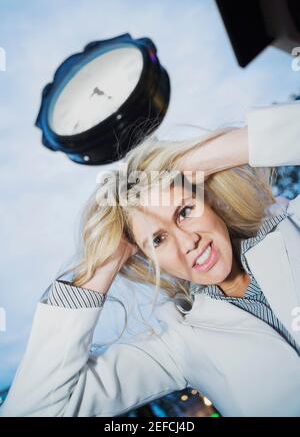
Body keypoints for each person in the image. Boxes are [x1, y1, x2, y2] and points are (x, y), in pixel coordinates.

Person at [1, 100, 300, 417]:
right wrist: (104, 262)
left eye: (185, 211)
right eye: (157, 239)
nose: (188, 242)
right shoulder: (178, 345)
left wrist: (193, 161)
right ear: (144, 256)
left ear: (209, 202)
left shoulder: (292, 226)